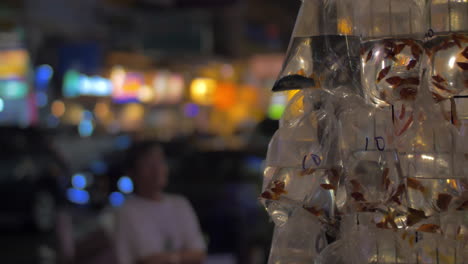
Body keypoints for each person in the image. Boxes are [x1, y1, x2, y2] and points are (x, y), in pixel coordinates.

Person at [115, 142, 206, 264]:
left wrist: (168, 258)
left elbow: (198, 253)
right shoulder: (127, 212)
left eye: (160, 161)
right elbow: (148, 259)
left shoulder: (180, 204)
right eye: (148, 164)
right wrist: (182, 256)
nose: (157, 169)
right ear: (132, 173)